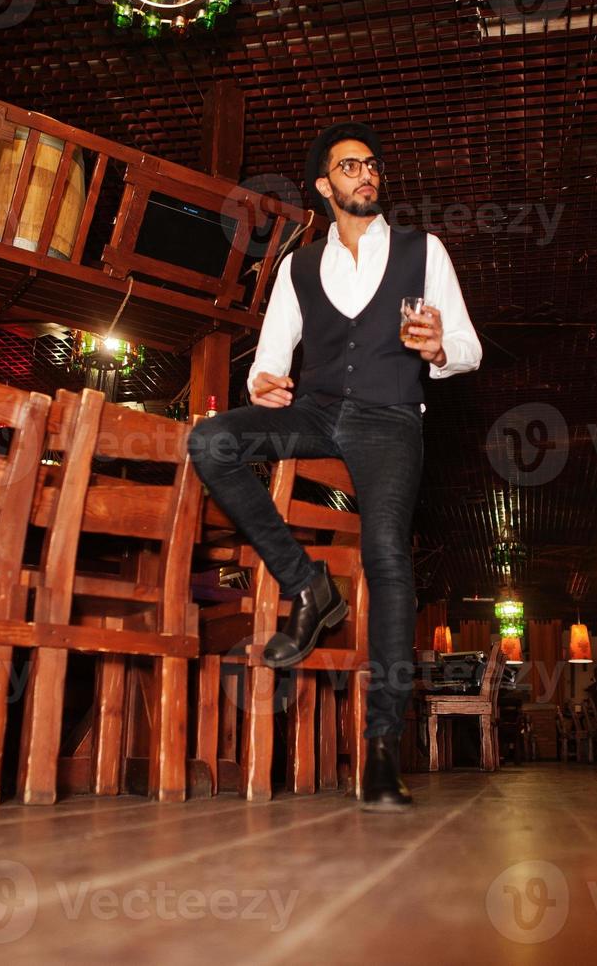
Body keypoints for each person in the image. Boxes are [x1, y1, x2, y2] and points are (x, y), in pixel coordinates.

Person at [189, 122, 481, 811]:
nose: (366, 175)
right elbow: (270, 352)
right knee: (211, 443)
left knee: (385, 553)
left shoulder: (422, 250)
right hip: (316, 410)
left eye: (372, 165)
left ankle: (381, 746)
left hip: (389, 419)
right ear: (324, 186)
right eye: (350, 167)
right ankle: (307, 585)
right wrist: (263, 382)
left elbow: (466, 346)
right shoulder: (297, 264)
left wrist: (438, 348)